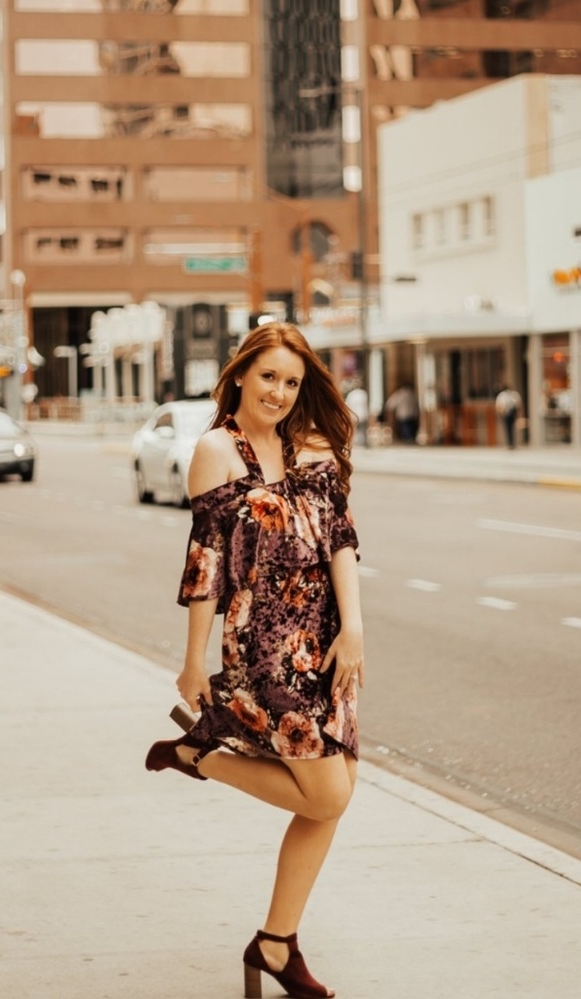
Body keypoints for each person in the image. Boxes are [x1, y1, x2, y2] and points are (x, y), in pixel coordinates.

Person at [145, 321, 365, 999]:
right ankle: (203, 756)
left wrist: (354, 626)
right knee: (327, 790)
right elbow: (206, 562)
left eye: (292, 381)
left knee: (331, 800)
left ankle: (276, 940)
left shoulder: (312, 445)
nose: (279, 391)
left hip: (325, 641)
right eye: (268, 376)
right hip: (263, 648)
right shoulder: (216, 450)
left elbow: (341, 539)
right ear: (240, 374)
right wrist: (193, 662)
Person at [495, 384, 522, 449]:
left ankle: (511, 443)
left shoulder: (504, 395)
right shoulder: (513, 394)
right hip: (508, 413)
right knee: (509, 428)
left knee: (509, 428)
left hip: (509, 412)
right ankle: (511, 443)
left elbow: (499, 405)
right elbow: (518, 405)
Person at [344, 379, 369, 447]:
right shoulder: (363, 393)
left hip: (355, 414)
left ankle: (356, 442)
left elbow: (348, 405)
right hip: (363, 414)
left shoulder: (351, 394)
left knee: (355, 429)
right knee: (363, 429)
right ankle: (363, 442)